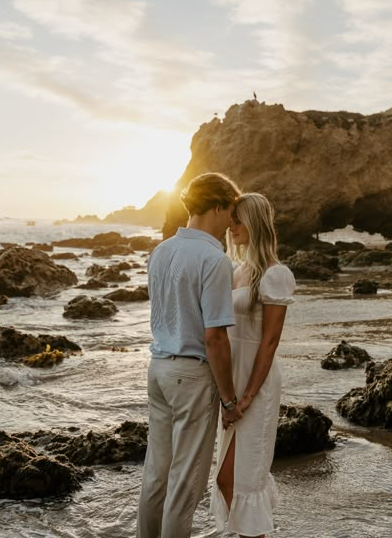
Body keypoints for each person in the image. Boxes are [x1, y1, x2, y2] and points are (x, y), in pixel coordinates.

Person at [137, 172, 244, 538]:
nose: (232, 222)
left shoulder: (161, 251)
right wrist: (229, 401)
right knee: (185, 486)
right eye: (230, 211)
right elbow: (215, 337)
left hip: (158, 370)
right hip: (192, 376)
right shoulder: (214, 259)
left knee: (156, 476)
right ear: (217, 206)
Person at [210, 193, 296, 538]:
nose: (230, 227)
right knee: (224, 479)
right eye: (229, 220)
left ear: (254, 222)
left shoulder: (275, 275)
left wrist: (246, 397)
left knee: (243, 481)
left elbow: (270, 342)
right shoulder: (236, 270)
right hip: (230, 381)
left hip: (255, 384)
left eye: (236, 220)